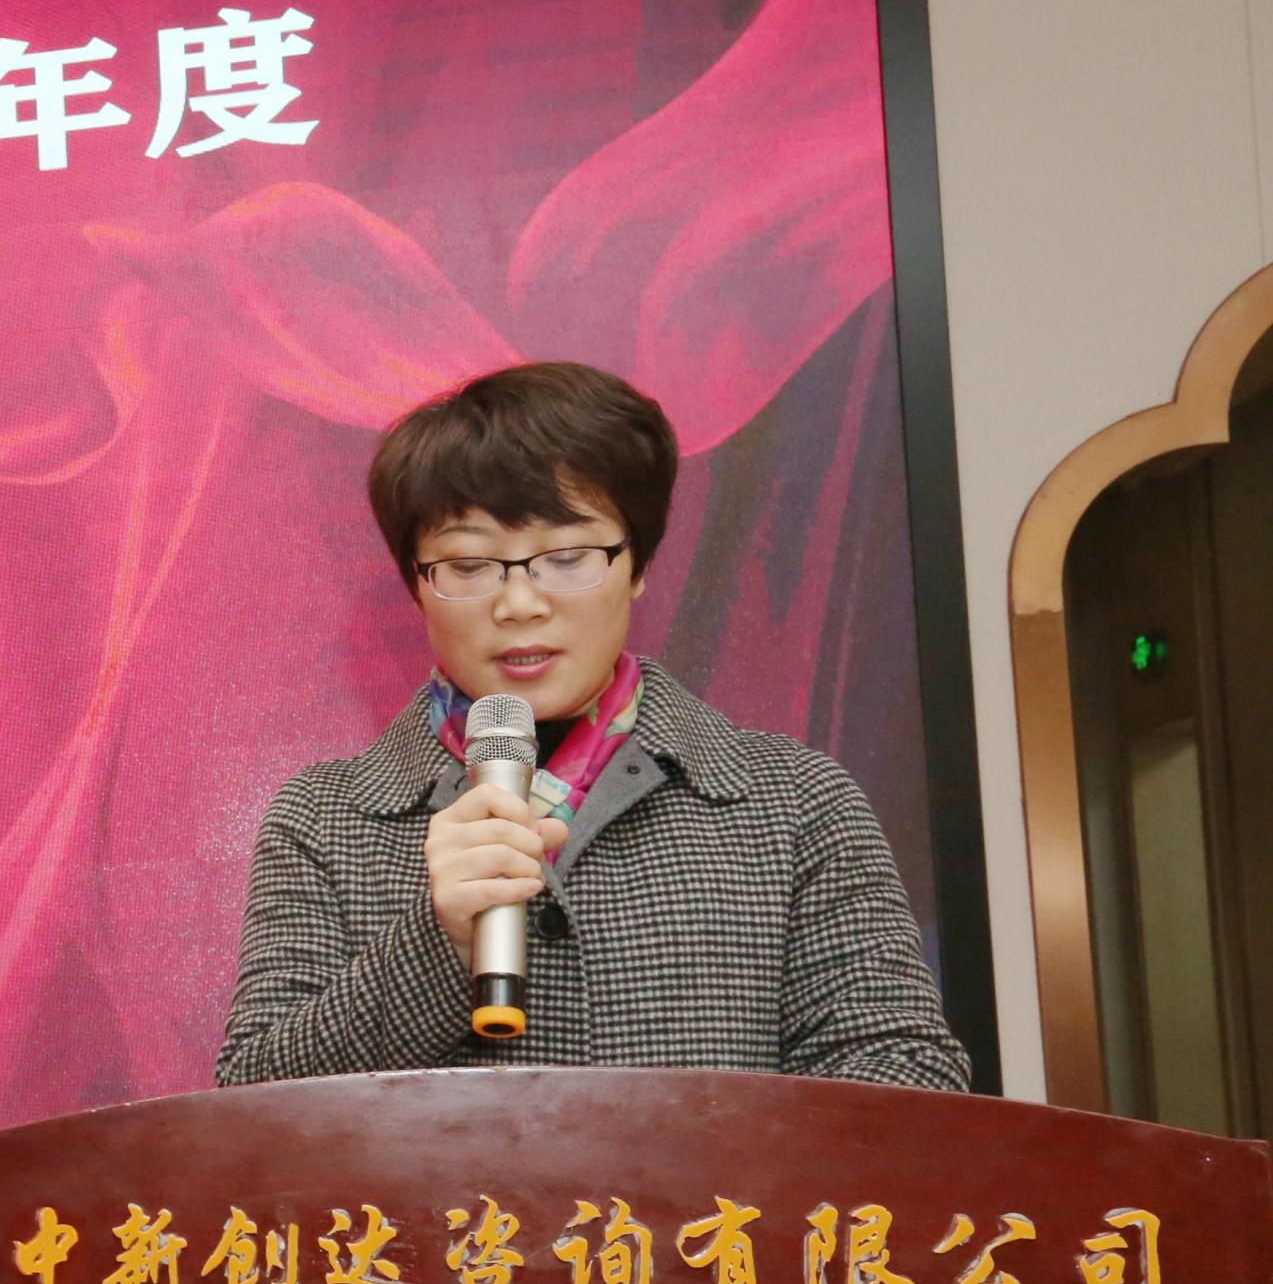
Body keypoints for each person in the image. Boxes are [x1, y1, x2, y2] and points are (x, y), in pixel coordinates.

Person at [216, 361, 970, 1090]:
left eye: (567, 556)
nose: (519, 604)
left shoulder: (795, 802)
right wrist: (437, 943)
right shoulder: (325, 818)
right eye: (469, 566)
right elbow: (251, 1110)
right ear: (417, 586)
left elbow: (906, 1076)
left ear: (636, 565)